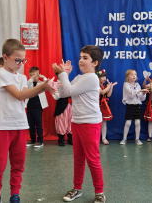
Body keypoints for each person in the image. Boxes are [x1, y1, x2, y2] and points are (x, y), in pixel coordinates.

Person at [0, 39, 57, 203]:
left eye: (23, 60)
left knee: (18, 164)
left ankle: (15, 194)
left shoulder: (21, 77)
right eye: (17, 60)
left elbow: (27, 94)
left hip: (19, 125)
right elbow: (18, 95)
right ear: (5, 57)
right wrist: (43, 86)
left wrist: (44, 85)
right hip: (2, 126)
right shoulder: (0, 74)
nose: (20, 63)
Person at [52, 45, 106, 203]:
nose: (80, 60)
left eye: (85, 58)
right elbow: (63, 94)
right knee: (78, 158)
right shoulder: (78, 78)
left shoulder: (92, 77)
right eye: (80, 57)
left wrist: (62, 74)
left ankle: (100, 192)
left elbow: (67, 91)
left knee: (93, 159)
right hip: (77, 122)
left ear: (95, 62)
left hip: (90, 123)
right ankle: (77, 189)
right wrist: (64, 76)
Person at [120, 69, 148, 145]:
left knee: (138, 123)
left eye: (135, 74)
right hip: (130, 106)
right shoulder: (126, 84)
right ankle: (124, 138)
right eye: (132, 74)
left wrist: (143, 93)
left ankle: (137, 139)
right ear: (127, 77)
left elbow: (141, 98)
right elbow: (131, 94)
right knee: (128, 123)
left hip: (138, 106)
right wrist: (140, 91)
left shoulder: (138, 85)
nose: (134, 76)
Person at [25, 66, 48, 148]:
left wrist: (43, 77)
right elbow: (26, 85)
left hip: (38, 107)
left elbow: (48, 84)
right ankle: (32, 140)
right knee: (30, 124)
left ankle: (40, 141)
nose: (32, 76)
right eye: (30, 75)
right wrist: (31, 78)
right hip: (30, 106)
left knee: (38, 124)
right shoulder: (29, 83)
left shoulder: (41, 84)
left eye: (34, 74)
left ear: (38, 74)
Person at [97, 69, 117, 145]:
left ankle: (103, 138)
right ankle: (96, 137)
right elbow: (102, 92)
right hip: (97, 106)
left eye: (105, 76)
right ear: (98, 77)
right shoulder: (96, 85)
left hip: (104, 106)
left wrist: (110, 87)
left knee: (104, 122)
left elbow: (108, 95)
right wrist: (108, 87)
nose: (104, 78)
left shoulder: (105, 86)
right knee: (97, 123)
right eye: (102, 77)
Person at [52, 74, 73, 146]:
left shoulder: (69, 83)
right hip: (61, 105)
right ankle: (61, 138)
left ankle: (70, 138)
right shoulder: (56, 84)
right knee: (61, 121)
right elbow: (56, 97)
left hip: (70, 105)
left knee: (70, 120)